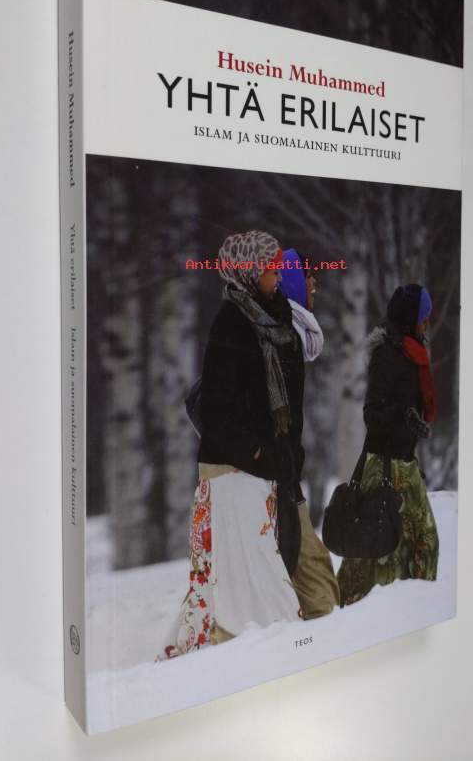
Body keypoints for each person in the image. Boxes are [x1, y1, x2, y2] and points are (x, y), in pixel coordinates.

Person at [159, 230, 304, 658]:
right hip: (234, 471)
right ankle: (277, 651)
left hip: (255, 472)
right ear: (250, 271)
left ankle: (205, 655)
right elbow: (219, 410)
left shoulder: (266, 319)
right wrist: (258, 452)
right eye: (271, 267)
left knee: (229, 575)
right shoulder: (233, 323)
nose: (278, 274)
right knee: (253, 575)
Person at [337, 283, 440, 607]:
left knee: (423, 545)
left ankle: (415, 609)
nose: (427, 323)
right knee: (374, 553)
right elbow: (373, 414)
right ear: (410, 318)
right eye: (423, 316)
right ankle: (351, 612)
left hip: (405, 465)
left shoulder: (415, 354)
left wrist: (412, 421)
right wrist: (404, 415)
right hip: (382, 468)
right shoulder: (387, 355)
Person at [278, 248, 340, 619]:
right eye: (306, 275)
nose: (314, 283)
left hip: (283, 476)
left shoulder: (293, 336)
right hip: (276, 480)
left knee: (312, 572)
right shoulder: (284, 337)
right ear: (292, 282)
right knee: (317, 581)